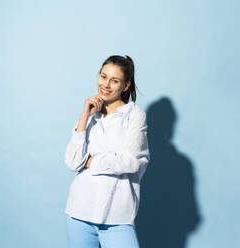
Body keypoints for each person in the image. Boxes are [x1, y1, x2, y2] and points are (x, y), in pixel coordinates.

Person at [63, 55, 150, 248]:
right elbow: (72, 161)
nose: (106, 84)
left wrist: (91, 162)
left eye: (115, 80)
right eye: (103, 77)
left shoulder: (135, 116)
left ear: (126, 86)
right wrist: (85, 116)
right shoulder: (91, 115)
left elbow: (130, 162)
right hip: (79, 212)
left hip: (117, 215)